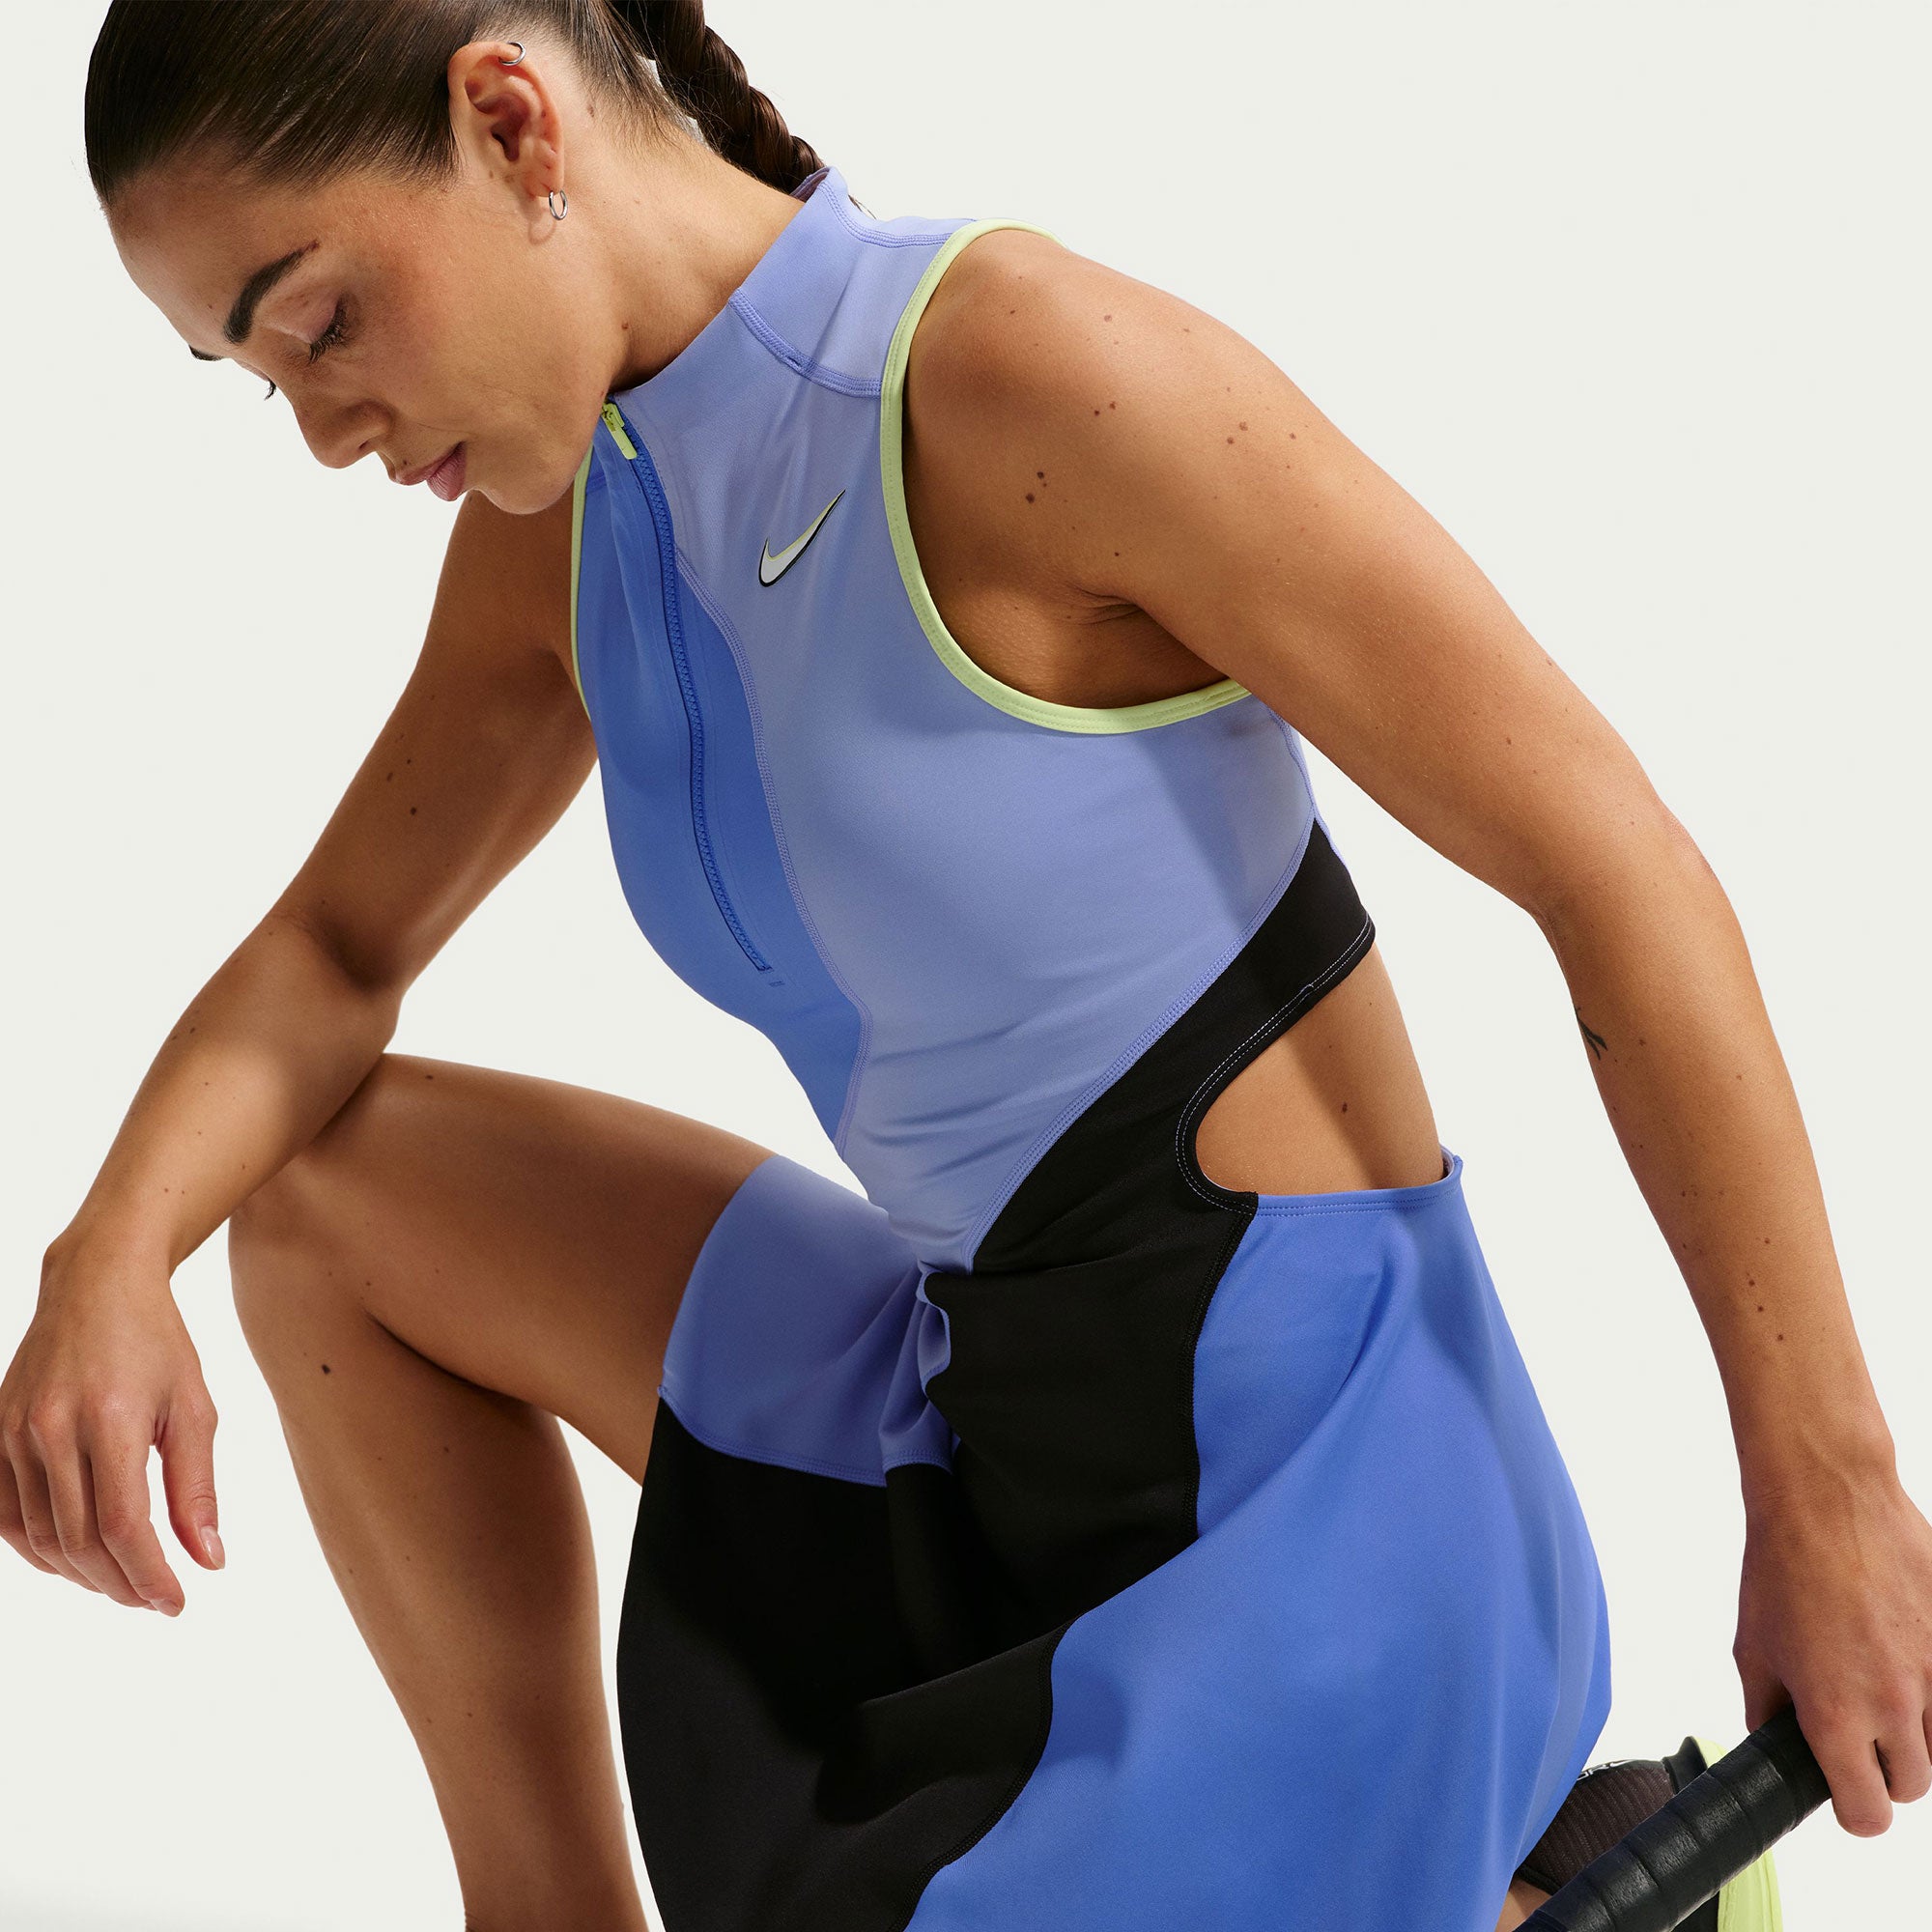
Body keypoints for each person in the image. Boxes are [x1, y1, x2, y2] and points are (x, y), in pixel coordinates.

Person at [8, 4, 1927, 1927]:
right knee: (321, 1200)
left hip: (1316, 1492)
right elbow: (336, 948)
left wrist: (1825, 1491)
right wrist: (109, 1249)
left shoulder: (1018, 379)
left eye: (322, 322)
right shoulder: (575, 525)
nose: (324, 429)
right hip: (972, 1406)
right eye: (259, 378)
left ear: (511, 122)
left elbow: (1614, 871)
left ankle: (1522, 1878)